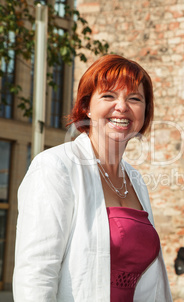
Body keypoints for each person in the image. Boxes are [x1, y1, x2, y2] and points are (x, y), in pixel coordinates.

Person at [13, 54, 172, 301]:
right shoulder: (56, 166)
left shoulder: (136, 181)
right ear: (87, 106)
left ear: (145, 111)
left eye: (134, 98)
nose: (122, 106)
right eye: (109, 96)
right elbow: (35, 275)